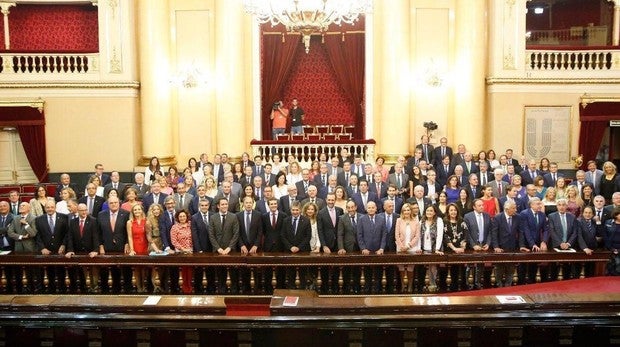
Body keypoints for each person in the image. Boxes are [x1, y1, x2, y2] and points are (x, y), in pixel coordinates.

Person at [491, 200, 520, 287]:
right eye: (513, 208)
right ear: (507, 209)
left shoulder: (517, 217)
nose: (516, 210)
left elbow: (521, 232)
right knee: (499, 268)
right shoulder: (498, 217)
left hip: (512, 248)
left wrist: (521, 246)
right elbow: (494, 233)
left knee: (511, 268)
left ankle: (508, 286)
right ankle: (499, 286)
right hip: (501, 248)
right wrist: (496, 246)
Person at [464, 199, 491, 289]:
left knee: (481, 265)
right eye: (479, 205)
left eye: (482, 205)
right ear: (474, 207)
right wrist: (473, 245)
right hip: (472, 246)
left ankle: (478, 283)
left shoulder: (487, 216)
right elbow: (466, 232)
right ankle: (468, 283)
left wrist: (488, 243)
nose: (482, 207)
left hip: (483, 245)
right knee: (469, 265)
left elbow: (490, 231)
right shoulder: (468, 216)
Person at [395, 203, 420, 292]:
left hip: (411, 248)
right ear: (402, 211)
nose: (406, 212)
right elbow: (396, 235)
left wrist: (408, 246)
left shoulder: (416, 221)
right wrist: (402, 247)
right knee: (401, 268)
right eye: (405, 210)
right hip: (400, 248)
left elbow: (417, 236)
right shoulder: (399, 220)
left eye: (408, 210)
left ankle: (409, 287)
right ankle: (402, 286)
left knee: (410, 269)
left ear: (411, 211)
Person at [443, 203, 468, 291]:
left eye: (455, 210)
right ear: (448, 212)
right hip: (449, 250)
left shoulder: (461, 220)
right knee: (452, 269)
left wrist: (463, 246)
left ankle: (463, 287)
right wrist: (454, 248)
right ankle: (452, 288)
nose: (453, 212)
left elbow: (466, 234)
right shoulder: (445, 221)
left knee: (462, 268)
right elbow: (445, 236)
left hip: (461, 249)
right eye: (451, 210)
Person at [419, 205, 444, 291]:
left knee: (433, 266)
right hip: (424, 248)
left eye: (431, 211)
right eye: (427, 211)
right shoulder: (421, 221)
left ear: (434, 212)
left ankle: (433, 285)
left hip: (434, 248)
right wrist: (419, 248)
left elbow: (440, 235)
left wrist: (437, 249)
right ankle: (426, 285)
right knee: (426, 267)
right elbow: (418, 236)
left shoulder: (439, 220)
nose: (429, 212)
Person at [170, 210, 193, 293]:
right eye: (180, 216)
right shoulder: (175, 227)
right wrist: (183, 249)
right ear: (177, 218)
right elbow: (174, 241)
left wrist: (190, 249)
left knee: (190, 270)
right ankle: (185, 289)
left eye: (184, 216)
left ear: (186, 217)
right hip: (180, 252)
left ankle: (190, 288)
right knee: (184, 270)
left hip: (191, 251)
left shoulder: (190, 225)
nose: (182, 218)